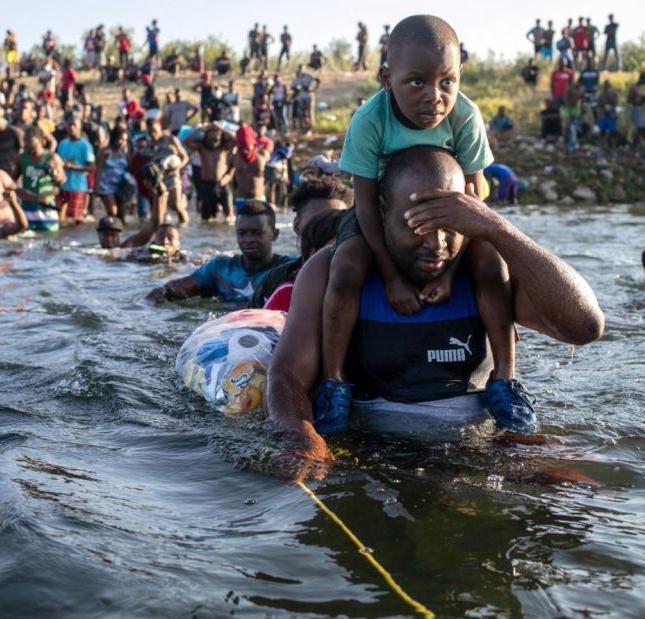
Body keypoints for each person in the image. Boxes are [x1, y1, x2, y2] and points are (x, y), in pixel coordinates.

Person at [268, 146, 604, 479]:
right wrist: (302, 439)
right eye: (420, 225)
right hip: (370, 449)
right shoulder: (332, 272)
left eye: (450, 225)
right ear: (383, 212)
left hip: (479, 446)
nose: (437, 244)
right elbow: (286, 376)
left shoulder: (485, 274)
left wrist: (498, 230)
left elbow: (584, 327)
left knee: (586, 495)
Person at [323, 16, 521, 432]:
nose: (435, 97)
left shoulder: (465, 116)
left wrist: (451, 270)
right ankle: (335, 381)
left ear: (459, 75)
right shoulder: (369, 120)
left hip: (454, 221)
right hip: (382, 217)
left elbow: (475, 201)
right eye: (416, 83)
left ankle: (506, 378)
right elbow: (363, 205)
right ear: (386, 78)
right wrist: (392, 276)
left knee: (493, 263)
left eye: (447, 82)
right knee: (344, 266)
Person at [145, 200, 294, 304]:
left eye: (257, 233)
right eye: (242, 233)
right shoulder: (219, 269)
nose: (248, 239)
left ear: (275, 234)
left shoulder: (289, 269)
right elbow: (172, 289)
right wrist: (150, 300)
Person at [249, 176, 352, 309]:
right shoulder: (277, 281)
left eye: (337, 219)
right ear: (297, 226)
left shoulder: (367, 279)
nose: (327, 227)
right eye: (316, 221)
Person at [183, 123, 236, 221]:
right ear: (206, 138)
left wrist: (220, 129)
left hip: (222, 184)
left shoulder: (224, 148)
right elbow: (186, 142)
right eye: (210, 140)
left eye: (215, 140)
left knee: (229, 217)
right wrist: (199, 130)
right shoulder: (202, 148)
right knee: (207, 219)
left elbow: (235, 141)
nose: (212, 142)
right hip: (207, 185)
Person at [56, 118, 95, 225]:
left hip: (78, 187)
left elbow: (91, 167)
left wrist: (72, 166)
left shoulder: (85, 145)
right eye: (70, 125)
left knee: (76, 221)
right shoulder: (62, 144)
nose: (72, 128)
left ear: (79, 127)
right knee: (61, 220)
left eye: (74, 125)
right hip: (63, 186)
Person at [94, 126, 132, 218]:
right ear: (114, 138)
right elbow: (98, 169)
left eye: (125, 140)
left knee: (121, 215)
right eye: (120, 139)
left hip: (120, 186)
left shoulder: (124, 154)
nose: (122, 142)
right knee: (112, 211)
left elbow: (128, 169)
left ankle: (113, 230)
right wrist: (96, 187)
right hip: (106, 186)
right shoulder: (105, 152)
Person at [231, 123, 271, 200]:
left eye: (248, 147)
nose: (246, 150)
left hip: (258, 197)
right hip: (241, 198)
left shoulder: (262, 155)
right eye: (243, 147)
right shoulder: (235, 157)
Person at [628, 71, 645, 150]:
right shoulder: (634, 88)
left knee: (644, 129)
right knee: (642, 129)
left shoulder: (639, 88)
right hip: (636, 109)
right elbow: (629, 100)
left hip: (640, 109)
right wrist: (639, 100)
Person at [595, 80, 619, 159]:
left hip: (611, 115)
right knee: (602, 133)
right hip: (603, 115)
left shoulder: (613, 94)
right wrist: (599, 115)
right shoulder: (600, 95)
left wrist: (609, 96)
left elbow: (615, 102)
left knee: (613, 133)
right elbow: (598, 106)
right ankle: (600, 150)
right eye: (605, 85)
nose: (606, 87)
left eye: (608, 85)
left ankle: (613, 151)